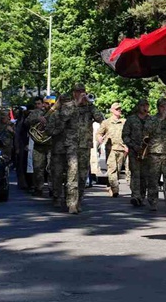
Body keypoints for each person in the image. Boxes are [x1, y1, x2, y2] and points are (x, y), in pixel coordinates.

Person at [46, 83, 104, 214]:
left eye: (83, 91)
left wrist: (90, 104)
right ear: (74, 93)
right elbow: (63, 117)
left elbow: (100, 118)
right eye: (78, 91)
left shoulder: (89, 107)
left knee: (83, 175)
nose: (81, 93)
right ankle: (71, 203)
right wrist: (76, 103)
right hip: (71, 144)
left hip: (85, 145)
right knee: (73, 173)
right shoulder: (68, 106)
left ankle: (79, 201)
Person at [142, 97, 166, 211]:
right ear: (158, 107)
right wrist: (161, 119)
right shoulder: (152, 119)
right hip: (154, 153)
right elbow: (147, 130)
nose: (164, 109)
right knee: (153, 179)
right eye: (162, 106)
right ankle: (153, 201)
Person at [123, 98, 150, 207]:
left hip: (147, 152)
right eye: (143, 105)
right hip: (134, 151)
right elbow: (125, 135)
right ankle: (135, 196)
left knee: (144, 176)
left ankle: (142, 197)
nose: (145, 108)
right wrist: (133, 146)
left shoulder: (151, 120)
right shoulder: (131, 120)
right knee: (135, 174)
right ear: (138, 107)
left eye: (146, 106)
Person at [96, 102, 127, 197]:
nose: (119, 111)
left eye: (120, 109)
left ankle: (111, 185)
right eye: (117, 109)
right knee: (112, 169)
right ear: (112, 111)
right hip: (111, 149)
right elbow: (99, 133)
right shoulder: (106, 122)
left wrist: (127, 145)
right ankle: (115, 189)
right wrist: (99, 138)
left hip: (121, 149)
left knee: (117, 170)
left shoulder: (124, 122)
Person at [25, 97, 51, 197]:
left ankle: (52, 189)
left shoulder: (54, 113)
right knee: (37, 168)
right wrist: (37, 119)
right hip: (38, 145)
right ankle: (38, 188)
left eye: (44, 103)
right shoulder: (36, 112)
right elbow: (26, 122)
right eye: (41, 103)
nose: (42, 105)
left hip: (50, 144)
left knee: (51, 168)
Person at [46, 95, 69, 208]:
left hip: (71, 150)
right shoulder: (55, 115)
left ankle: (68, 197)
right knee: (57, 174)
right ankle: (57, 196)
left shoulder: (73, 115)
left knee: (70, 175)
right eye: (64, 102)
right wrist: (58, 130)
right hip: (58, 149)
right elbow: (48, 130)